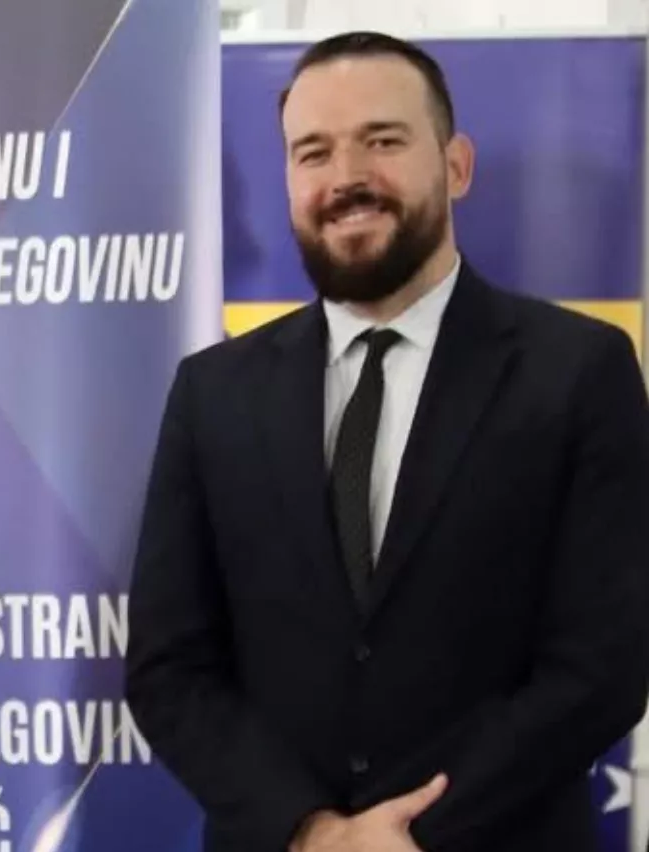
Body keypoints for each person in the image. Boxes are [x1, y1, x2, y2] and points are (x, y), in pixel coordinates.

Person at [125, 31, 649, 852]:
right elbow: (168, 669)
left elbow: (604, 665)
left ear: (456, 165)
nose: (346, 177)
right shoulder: (212, 393)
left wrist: (410, 833)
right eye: (314, 152)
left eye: (382, 140)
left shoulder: (579, 371)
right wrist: (313, 833)